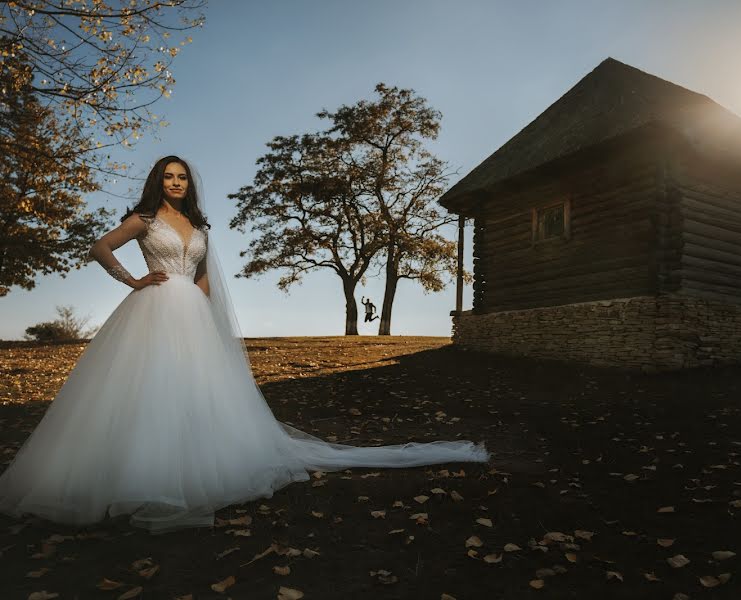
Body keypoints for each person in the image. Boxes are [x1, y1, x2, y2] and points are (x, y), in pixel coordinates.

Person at [0, 155, 490, 535]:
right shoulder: (144, 219)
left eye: (182, 177)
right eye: (168, 176)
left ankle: (197, 468)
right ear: (157, 181)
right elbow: (99, 246)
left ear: (188, 184)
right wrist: (133, 281)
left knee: (197, 392)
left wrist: (204, 316)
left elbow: (206, 278)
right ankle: (137, 478)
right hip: (153, 306)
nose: (175, 182)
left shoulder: (201, 228)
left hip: (190, 312)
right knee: (146, 388)